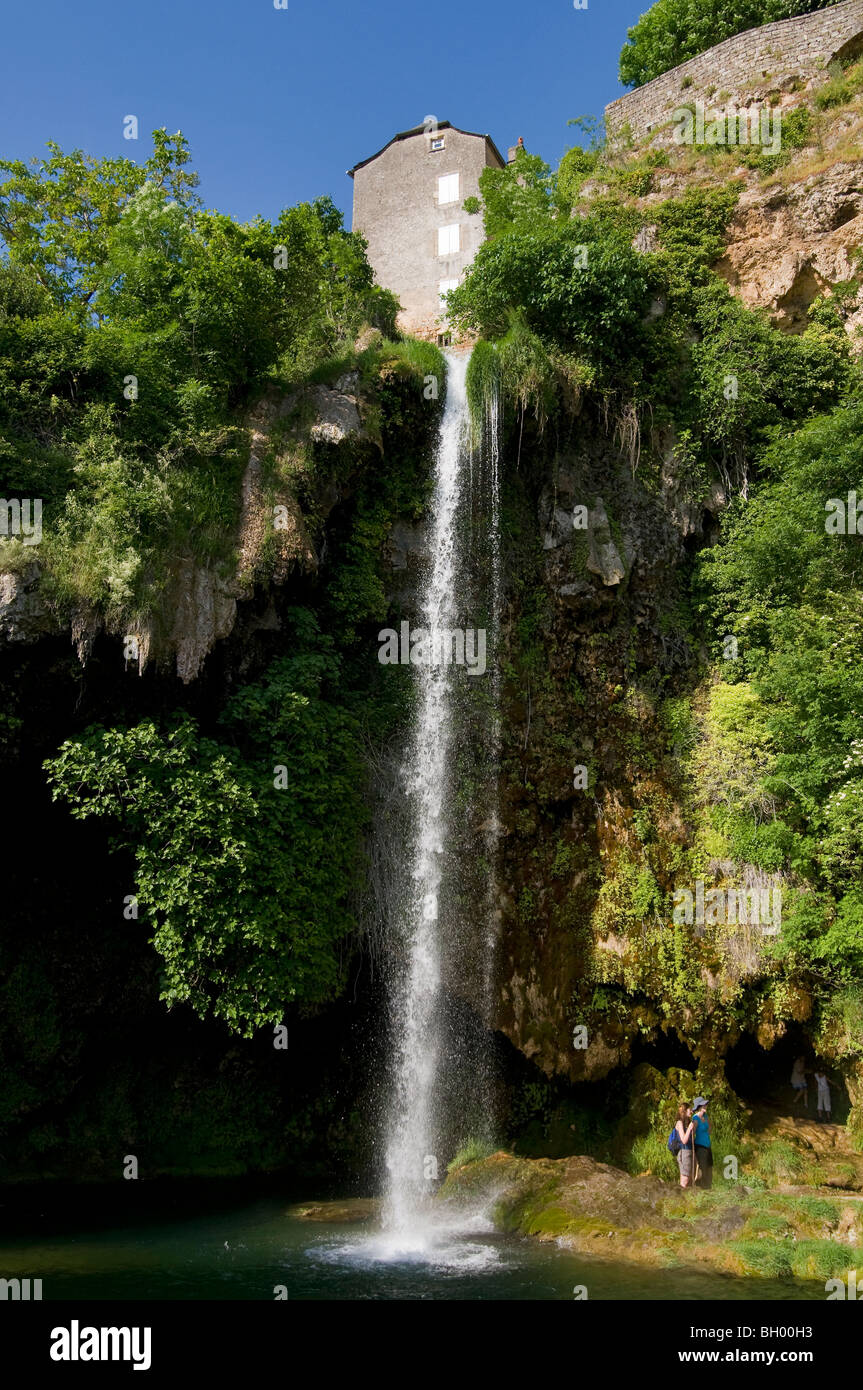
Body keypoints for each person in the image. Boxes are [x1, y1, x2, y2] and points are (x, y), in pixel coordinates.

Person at [692, 1097, 713, 1189]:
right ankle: (701, 1188)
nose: (706, 1106)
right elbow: (692, 1134)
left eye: (705, 1104)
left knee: (709, 1167)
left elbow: (709, 1130)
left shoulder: (705, 1116)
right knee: (702, 1168)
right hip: (700, 1146)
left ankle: (708, 1187)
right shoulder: (695, 1118)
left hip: (707, 1145)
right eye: (704, 1105)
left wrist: (708, 1126)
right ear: (699, 1107)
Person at [673, 1103, 695, 1189]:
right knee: (684, 1181)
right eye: (690, 1109)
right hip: (684, 1153)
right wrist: (689, 1129)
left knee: (688, 1180)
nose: (691, 1111)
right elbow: (684, 1140)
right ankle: (678, 1200)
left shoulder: (686, 1123)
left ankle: (685, 1200)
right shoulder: (679, 1123)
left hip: (689, 1152)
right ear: (685, 1111)